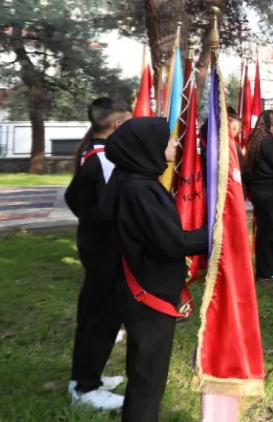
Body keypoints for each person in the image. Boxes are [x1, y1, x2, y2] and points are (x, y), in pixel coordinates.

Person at [101, 118, 208, 421]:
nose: (176, 144)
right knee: (149, 378)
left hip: (146, 292)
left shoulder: (136, 181)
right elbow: (173, 242)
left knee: (145, 374)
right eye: (170, 140)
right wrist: (214, 233)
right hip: (149, 297)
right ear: (148, 147)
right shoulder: (140, 190)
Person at [66, 98, 132, 410]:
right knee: (102, 317)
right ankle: (86, 388)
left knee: (94, 313)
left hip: (96, 245)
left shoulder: (93, 151)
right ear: (118, 126)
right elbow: (108, 208)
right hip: (105, 249)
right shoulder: (105, 159)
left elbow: (73, 197)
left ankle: (86, 376)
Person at [244, 110, 273, 281]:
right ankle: (267, 269)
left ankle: (270, 266)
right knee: (269, 230)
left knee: (266, 229)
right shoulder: (268, 141)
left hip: (262, 188)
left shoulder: (257, 139)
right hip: (269, 189)